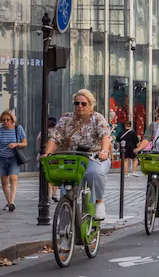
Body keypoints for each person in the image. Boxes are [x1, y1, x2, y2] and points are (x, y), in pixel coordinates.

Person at [44, 90, 113, 219]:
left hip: (94, 157)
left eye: (83, 103)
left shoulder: (97, 118)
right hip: (72, 159)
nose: (79, 106)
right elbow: (54, 137)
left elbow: (105, 135)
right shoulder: (66, 119)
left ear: (90, 105)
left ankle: (99, 202)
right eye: (77, 103)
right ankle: (66, 225)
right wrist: (47, 153)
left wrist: (104, 151)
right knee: (66, 191)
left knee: (95, 174)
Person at [0, 110, 27, 212]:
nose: (5, 122)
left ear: (12, 119)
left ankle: (11, 202)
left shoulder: (18, 129)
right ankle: (8, 202)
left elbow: (25, 143)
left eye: (8, 119)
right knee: (4, 181)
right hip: (2, 158)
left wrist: (16, 144)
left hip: (14, 157)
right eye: (3, 120)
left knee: (13, 178)